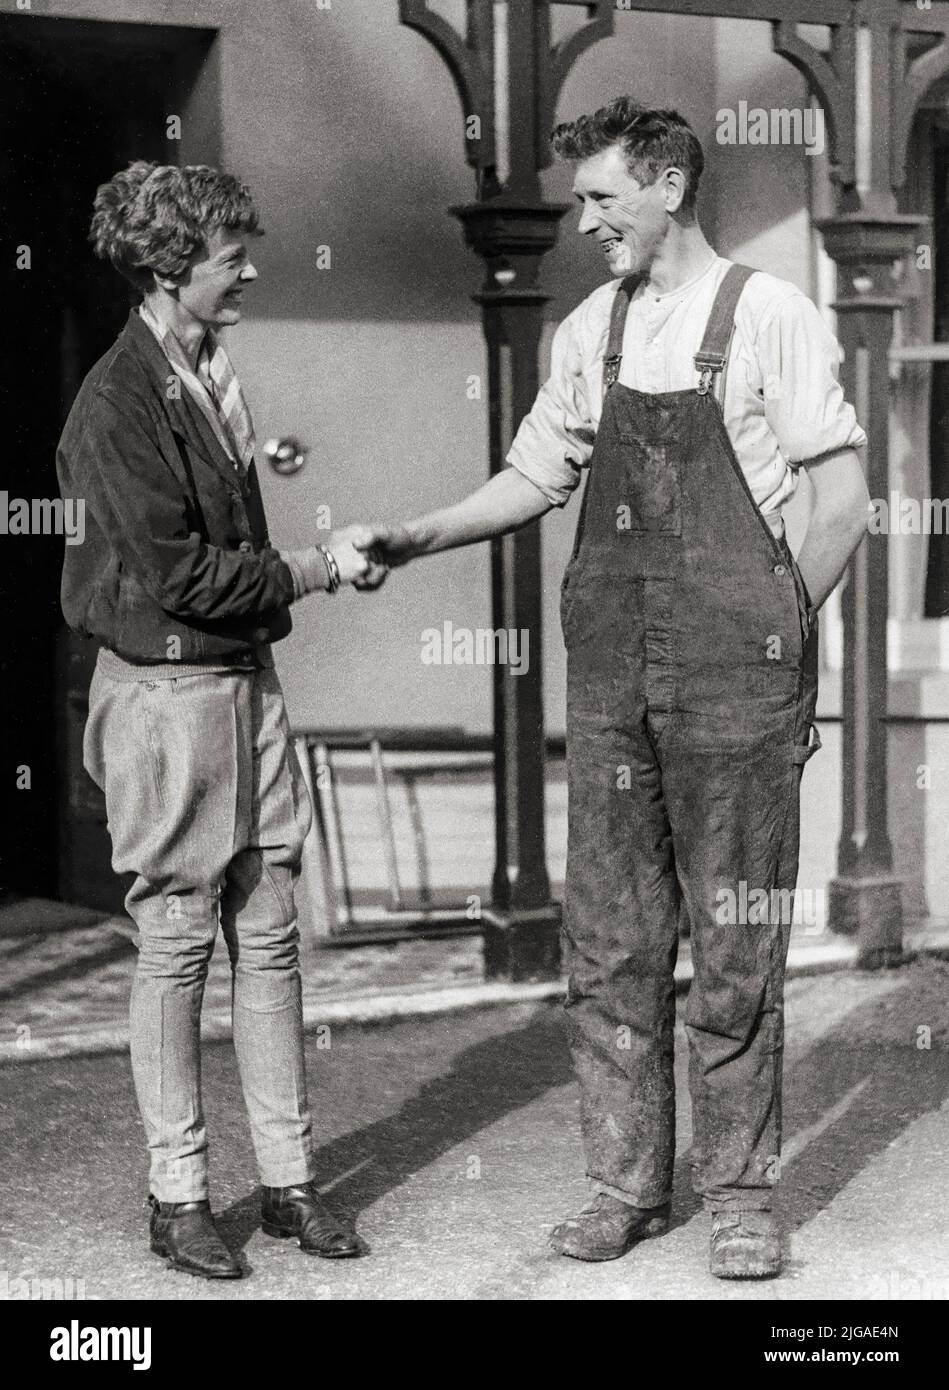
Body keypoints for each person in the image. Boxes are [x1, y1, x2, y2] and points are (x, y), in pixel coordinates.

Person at [363, 98, 870, 1278]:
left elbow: (839, 503)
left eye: (601, 198)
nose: (584, 220)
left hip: (736, 682)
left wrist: (773, 635)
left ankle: (739, 1192)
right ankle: (626, 1183)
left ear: (668, 189)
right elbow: (535, 473)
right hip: (611, 685)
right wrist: (418, 534)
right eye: (582, 199)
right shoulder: (588, 327)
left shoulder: (768, 316)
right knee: (610, 944)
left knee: (734, 945)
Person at [56, 161, 387, 1280]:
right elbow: (181, 573)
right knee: (180, 940)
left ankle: (289, 1185)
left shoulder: (200, 366)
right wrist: (319, 567)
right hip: (169, 694)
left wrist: (261, 459)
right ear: (166, 266)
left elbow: (205, 500)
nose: (249, 265)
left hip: (242, 685)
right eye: (228, 252)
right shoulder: (115, 400)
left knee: (272, 930)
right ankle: (179, 1194)